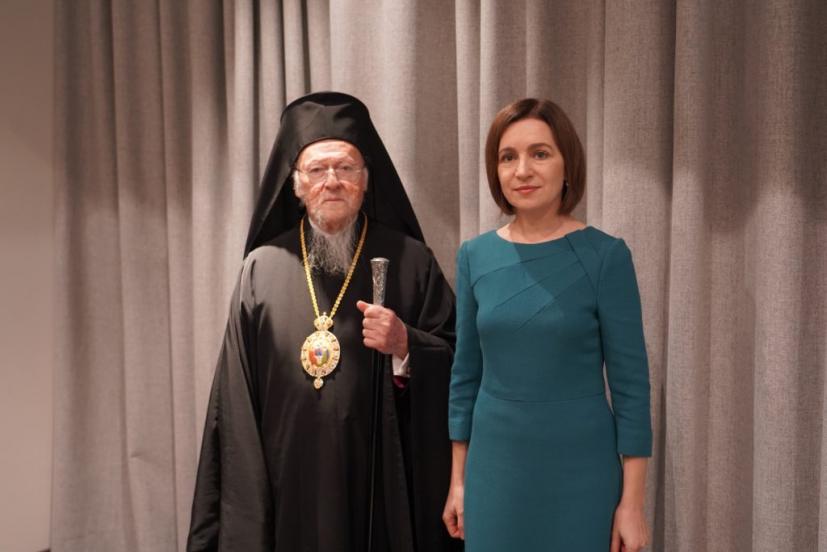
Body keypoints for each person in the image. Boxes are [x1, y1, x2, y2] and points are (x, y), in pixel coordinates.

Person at [187, 92, 461, 552]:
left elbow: (458, 362)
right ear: (295, 184)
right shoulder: (261, 269)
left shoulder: (411, 261)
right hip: (288, 480)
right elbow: (235, 397)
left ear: (366, 179)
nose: (332, 181)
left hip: (378, 482)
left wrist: (406, 344)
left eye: (346, 167)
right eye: (317, 170)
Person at [442, 98, 652, 552]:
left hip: (582, 472)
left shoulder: (606, 256)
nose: (522, 170)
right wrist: (458, 481)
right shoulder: (474, 256)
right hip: (494, 471)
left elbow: (632, 388)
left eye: (540, 153)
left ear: (567, 164)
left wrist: (632, 504)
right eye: (508, 157)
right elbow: (465, 377)